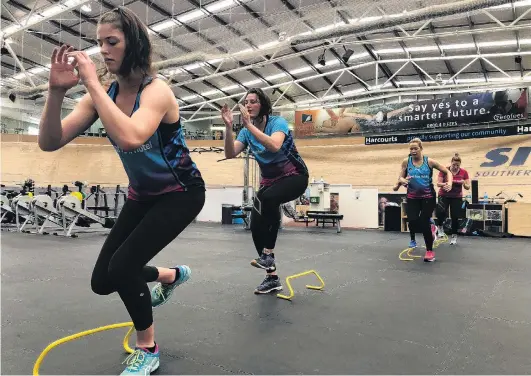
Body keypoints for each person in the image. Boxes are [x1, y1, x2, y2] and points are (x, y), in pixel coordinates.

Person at [38, 7, 205, 375]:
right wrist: (55, 92)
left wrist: (92, 85)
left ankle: (149, 348)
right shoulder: (105, 93)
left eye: (111, 42)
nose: (103, 51)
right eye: (99, 43)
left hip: (181, 193)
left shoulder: (156, 90)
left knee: (124, 266)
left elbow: (131, 138)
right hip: (143, 197)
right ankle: (170, 275)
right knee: (103, 281)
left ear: (136, 44)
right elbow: (50, 143)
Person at [220, 88, 309, 294]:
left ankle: (268, 253)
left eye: (253, 101)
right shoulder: (244, 131)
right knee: (256, 225)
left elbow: (275, 146)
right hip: (270, 182)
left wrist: (249, 126)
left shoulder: (276, 123)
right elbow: (230, 153)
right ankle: (271, 277)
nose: (248, 105)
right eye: (246, 102)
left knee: (268, 198)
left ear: (263, 105)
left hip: (295, 176)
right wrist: (227, 127)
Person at [394, 138, 452, 262]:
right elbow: (400, 177)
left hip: (428, 197)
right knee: (413, 222)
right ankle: (432, 227)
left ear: (421, 149)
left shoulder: (429, 162)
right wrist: (401, 181)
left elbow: (447, 171)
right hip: (412, 197)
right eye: (411, 149)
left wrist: (450, 183)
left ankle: (429, 251)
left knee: (424, 222)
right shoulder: (406, 162)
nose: (413, 151)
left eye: (415, 148)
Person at [435, 153, 470, 245]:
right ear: (451, 163)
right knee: (441, 212)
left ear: (460, 165)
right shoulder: (444, 170)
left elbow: (468, 186)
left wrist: (463, 183)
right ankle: (440, 227)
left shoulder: (464, 172)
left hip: (456, 196)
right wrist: (448, 183)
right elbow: (438, 183)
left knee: (455, 216)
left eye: (457, 165)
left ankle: (454, 236)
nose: (455, 167)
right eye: (454, 164)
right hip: (444, 195)